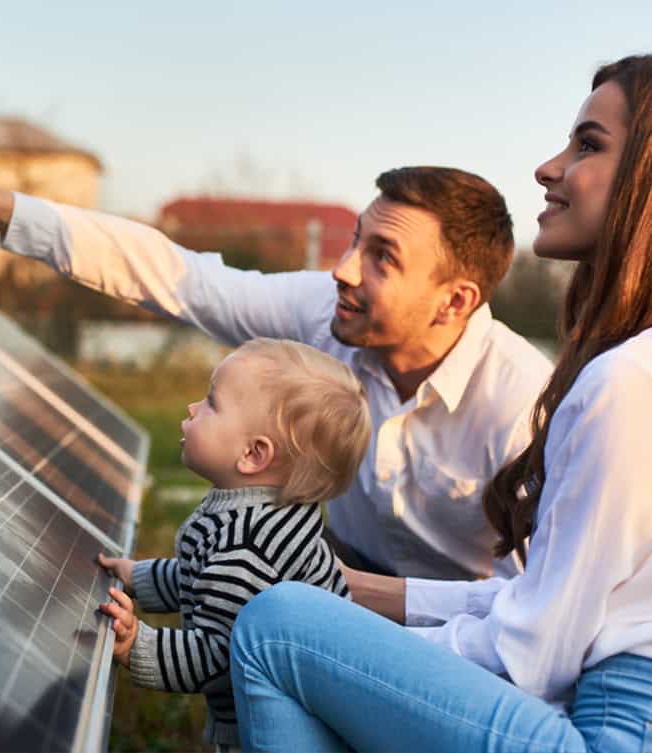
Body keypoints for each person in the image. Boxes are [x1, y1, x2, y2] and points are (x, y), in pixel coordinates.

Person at [0, 80, 552, 583]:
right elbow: (175, 275)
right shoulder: (326, 312)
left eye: (383, 256)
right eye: (356, 239)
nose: (344, 268)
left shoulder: (524, 404)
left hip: (464, 637)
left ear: (453, 300)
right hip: (341, 577)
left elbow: (536, 610)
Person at [227, 53, 652, 752]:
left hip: (606, 731)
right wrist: (348, 592)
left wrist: (359, 655)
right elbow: (544, 601)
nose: (549, 167)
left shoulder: (618, 385)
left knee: (275, 628)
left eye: (588, 144)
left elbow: (534, 654)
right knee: (303, 613)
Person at [92, 337, 370, 748]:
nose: (192, 409)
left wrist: (139, 646)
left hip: (277, 726)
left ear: (253, 455)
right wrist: (139, 577)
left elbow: (219, 656)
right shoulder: (265, 512)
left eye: (211, 403)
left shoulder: (246, 549)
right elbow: (200, 576)